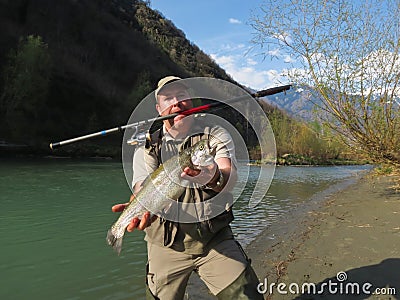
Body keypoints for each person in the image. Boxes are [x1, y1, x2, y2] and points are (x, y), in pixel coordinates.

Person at [112, 76, 263, 299]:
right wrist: (138, 208)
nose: (176, 102)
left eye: (182, 96)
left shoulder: (215, 134)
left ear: (191, 101)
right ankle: (117, 231)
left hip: (214, 238)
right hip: (165, 244)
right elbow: (140, 187)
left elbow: (229, 177)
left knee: (247, 295)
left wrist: (211, 175)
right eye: (168, 99)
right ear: (159, 109)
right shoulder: (147, 147)